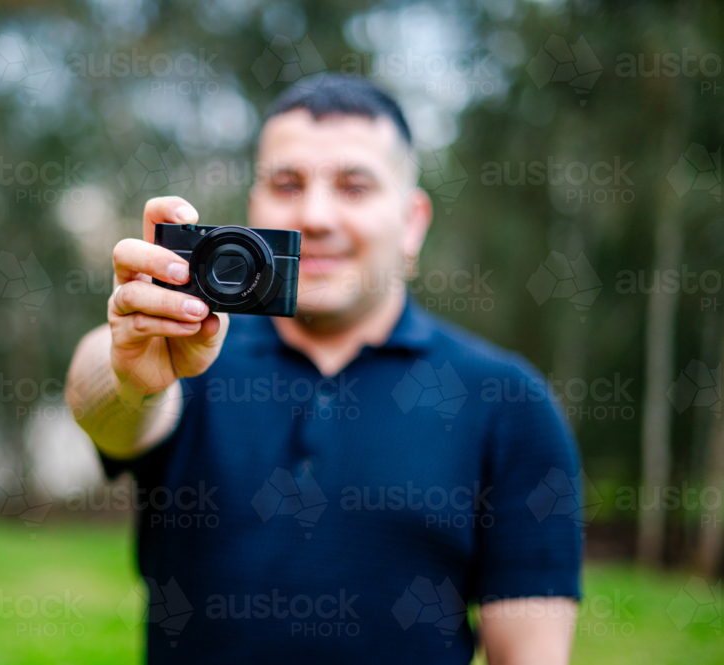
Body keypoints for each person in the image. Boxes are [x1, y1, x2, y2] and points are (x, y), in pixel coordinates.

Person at [66, 74, 582, 664]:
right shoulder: (186, 349)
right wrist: (130, 375)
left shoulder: (509, 402)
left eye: (354, 186)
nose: (315, 215)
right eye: (287, 184)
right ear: (255, 204)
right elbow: (105, 401)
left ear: (412, 221)